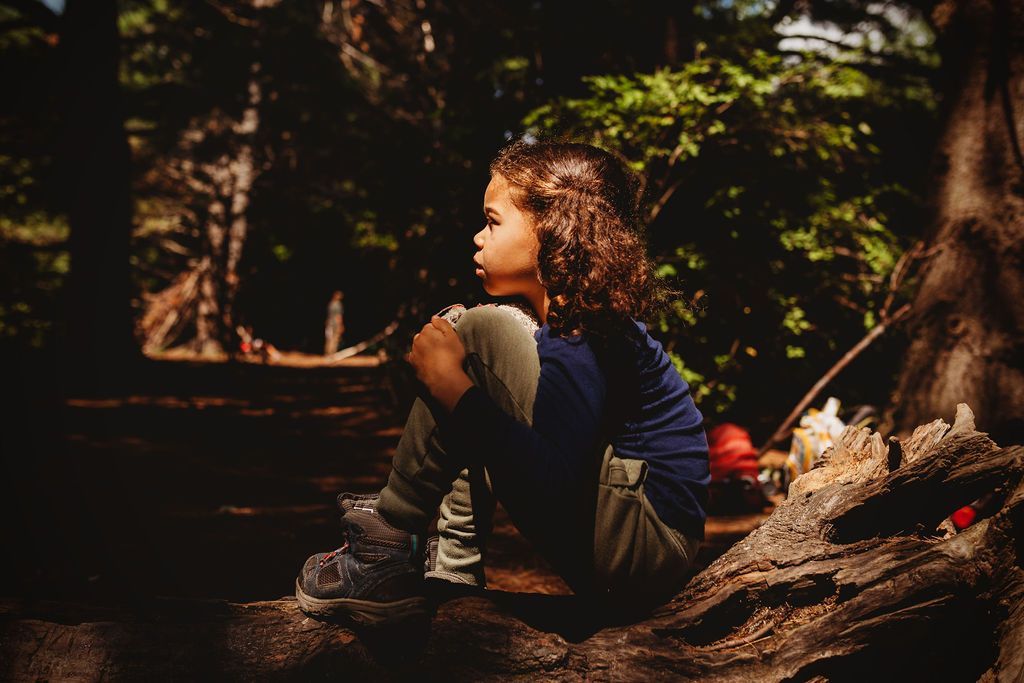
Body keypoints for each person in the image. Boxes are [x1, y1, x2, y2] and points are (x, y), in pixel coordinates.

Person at [295, 140, 710, 625]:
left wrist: (450, 384)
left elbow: (553, 481)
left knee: (479, 332)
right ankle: (450, 571)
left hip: (646, 545)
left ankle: (385, 542)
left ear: (555, 233)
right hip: (637, 546)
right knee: (478, 348)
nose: (478, 237)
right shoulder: (566, 325)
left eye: (493, 221)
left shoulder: (586, 333)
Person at [324, 290, 345, 355]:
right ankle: (332, 353)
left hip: (330, 322)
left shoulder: (330, 303)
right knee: (334, 338)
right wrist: (341, 324)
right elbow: (339, 315)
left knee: (329, 338)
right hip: (335, 323)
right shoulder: (338, 304)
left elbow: (328, 315)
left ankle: (328, 353)